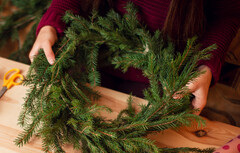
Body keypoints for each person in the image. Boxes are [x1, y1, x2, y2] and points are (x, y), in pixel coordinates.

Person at [29, 0, 240, 114]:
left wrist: (206, 67)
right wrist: (51, 24)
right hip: (92, 63)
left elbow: (227, 14)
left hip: (165, 80)